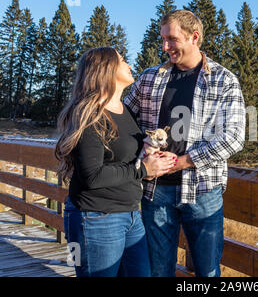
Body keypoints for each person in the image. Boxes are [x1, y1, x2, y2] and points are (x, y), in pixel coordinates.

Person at [124, 10, 246, 277]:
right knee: (158, 270)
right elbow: (123, 120)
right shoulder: (149, 78)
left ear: (194, 37)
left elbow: (234, 137)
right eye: (163, 39)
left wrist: (184, 162)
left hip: (203, 189)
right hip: (155, 191)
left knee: (207, 270)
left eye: (172, 39)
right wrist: (141, 150)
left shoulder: (223, 80)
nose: (165, 46)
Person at [55, 47, 177, 277]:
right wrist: (141, 171)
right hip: (94, 218)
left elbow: (125, 155)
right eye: (122, 60)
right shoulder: (90, 115)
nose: (129, 63)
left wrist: (154, 158)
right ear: (107, 70)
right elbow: (92, 176)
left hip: (130, 215)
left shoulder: (124, 109)